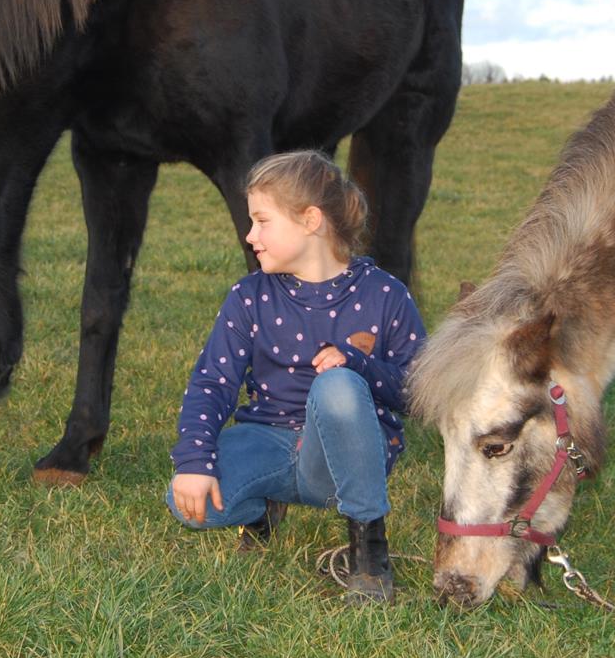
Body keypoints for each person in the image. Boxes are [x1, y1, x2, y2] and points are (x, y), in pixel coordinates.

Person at [166, 150, 426, 603]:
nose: (250, 236)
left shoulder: (385, 294)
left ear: (311, 220)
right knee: (189, 503)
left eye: (262, 221)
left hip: (340, 462)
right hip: (266, 441)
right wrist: (193, 461)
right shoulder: (249, 295)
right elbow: (213, 382)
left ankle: (369, 552)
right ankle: (264, 507)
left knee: (338, 386)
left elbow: (418, 394)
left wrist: (357, 364)